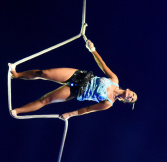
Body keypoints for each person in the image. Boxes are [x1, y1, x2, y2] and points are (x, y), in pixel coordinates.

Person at [9, 39, 137, 120]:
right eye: (133, 95)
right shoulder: (115, 80)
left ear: (126, 101)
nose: (130, 97)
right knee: (44, 73)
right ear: (129, 90)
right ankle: (16, 74)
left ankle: (17, 111)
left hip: (76, 91)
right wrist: (92, 50)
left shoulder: (108, 103)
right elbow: (102, 65)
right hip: (80, 76)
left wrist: (69, 114)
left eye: (131, 99)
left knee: (45, 100)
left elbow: (87, 110)